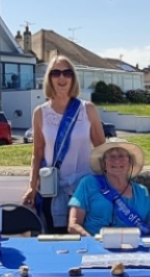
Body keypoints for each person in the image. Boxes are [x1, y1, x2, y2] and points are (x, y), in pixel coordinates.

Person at [22, 55, 105, 232]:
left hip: (84, 189)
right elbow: (37, 154)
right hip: (52, 189)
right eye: (56, 73)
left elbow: (102, 150)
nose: (62, 78)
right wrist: (32, 186)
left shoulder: (87, 109)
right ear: (49, 78)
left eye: (67, 73)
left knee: (85, 241)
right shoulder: (40, 113)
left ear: (73, 78)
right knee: (55, 242)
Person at [68, 139, 150, 237]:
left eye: (121, 156)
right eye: (111, 156)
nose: (116, 160)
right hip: (96, 248)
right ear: (104, 163)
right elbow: (73, 225)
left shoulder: (142, 192)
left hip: (135, 248)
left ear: (130, 162)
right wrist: (93, 243)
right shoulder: (88, 183)